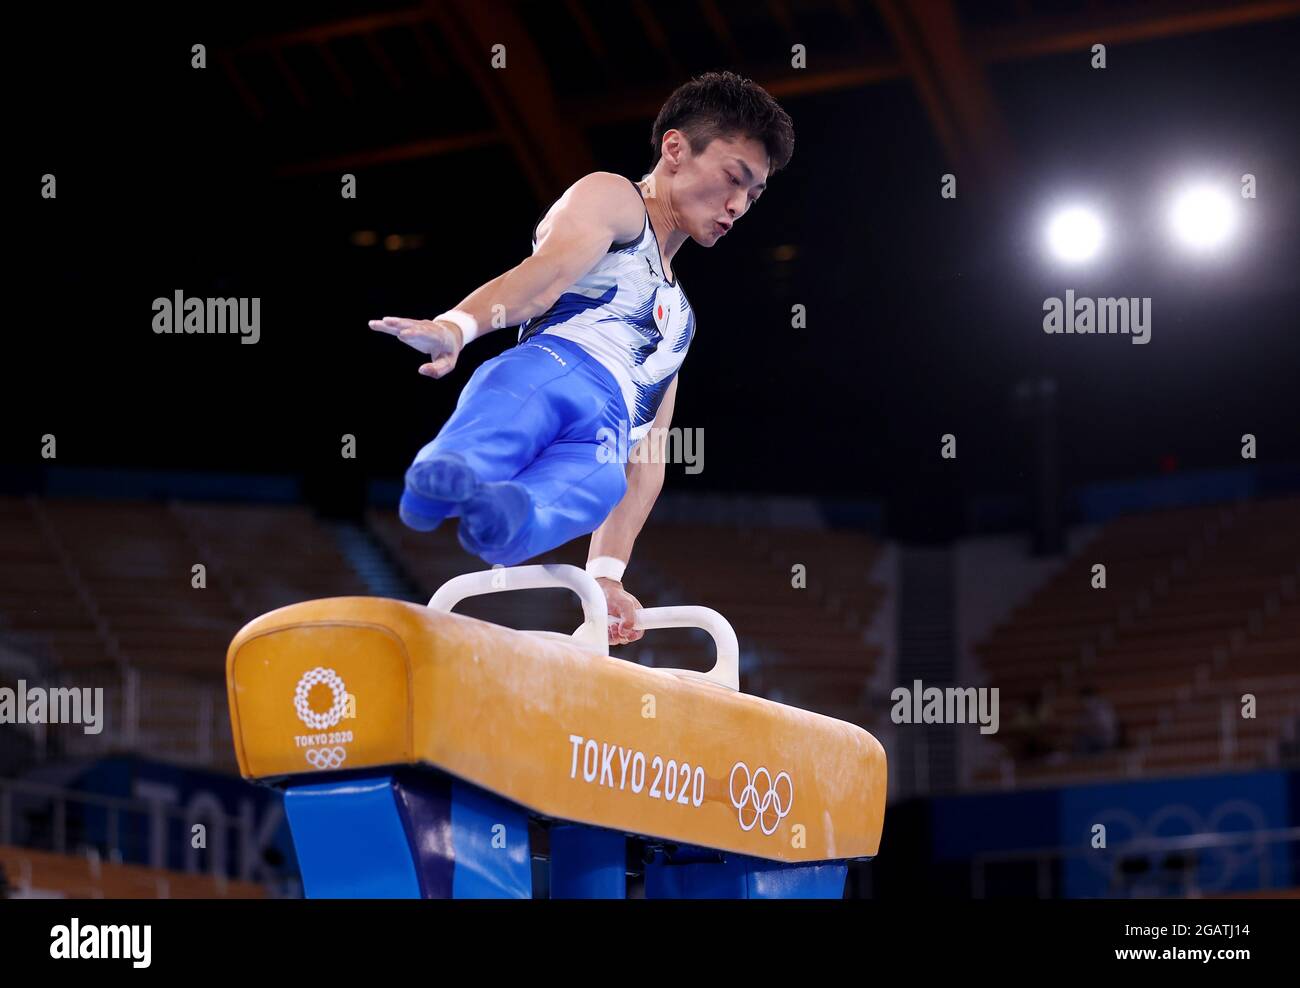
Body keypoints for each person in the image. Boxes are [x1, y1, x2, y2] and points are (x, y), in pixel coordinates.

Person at [370, 71, 794, 645]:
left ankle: (509, 516)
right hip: (551, 369)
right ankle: (447, 473)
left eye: (753, 195)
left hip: (604, 438)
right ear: (675, 149)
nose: (738, 206)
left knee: (596, 487)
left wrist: (606, 576)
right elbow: (543, 278)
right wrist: (458, 325)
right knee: (513, 410)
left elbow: (648, 457)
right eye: (733, 178)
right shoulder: (615, 200)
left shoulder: (682, 321)